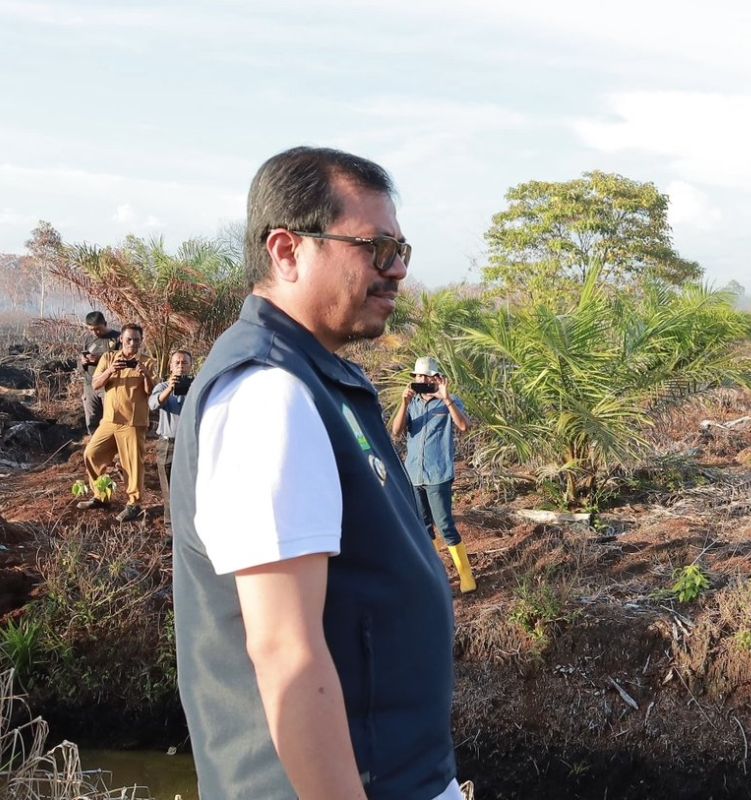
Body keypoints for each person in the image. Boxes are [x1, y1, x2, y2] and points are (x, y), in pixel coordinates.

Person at [170, 146, 462, 800]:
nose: (397, 272)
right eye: (376, 248)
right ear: (287, 251)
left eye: (403, 250)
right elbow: (285, 655)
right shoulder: (267, 396)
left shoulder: (316, 379)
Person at [391, 356, 475, 593]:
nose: (422, 380)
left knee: (445, 525)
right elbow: (397, 432)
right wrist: (404, 403)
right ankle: (435, 575)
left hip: (438, 474)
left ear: (437, 378)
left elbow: (464, 427)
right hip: (414, 474)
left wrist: (447, 399)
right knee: (423, 526)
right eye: (418, 376)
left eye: (427, 376)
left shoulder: (449, 402)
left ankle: (466, 574)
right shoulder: (413, 403)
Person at [77, 323, 153, 522]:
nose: (132, 343)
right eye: (129, 339)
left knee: (132, 465)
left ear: (141, 341)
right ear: (121, 339)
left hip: (133, 422)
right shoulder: (109, 358)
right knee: (92, 454)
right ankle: (102, 496)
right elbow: (95, 384)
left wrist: (145, 373)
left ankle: (134, 504)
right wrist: (110, 370)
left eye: (136, 340)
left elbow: (151, 392)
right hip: (109, 420)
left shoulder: (148, 362)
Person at [148, 349, 193, 526]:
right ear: (171, 366)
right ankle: (170, 528)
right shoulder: (162, 387)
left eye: (185, 363)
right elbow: (153, 404)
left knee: (190, 486)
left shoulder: (197, 386)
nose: (181, 367)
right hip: (168, 444)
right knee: (168, 488)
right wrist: (171, 389)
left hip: (190, 443)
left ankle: (189, 527)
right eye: (177, 363)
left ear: (190, 366)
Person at [78, 311, 120, 436]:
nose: (95, 332)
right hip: (89, 384)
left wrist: (100, 360)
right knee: (92, 418)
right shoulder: (88, 339)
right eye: (91, 330)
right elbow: (81, 357)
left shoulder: (118, 338)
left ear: (105, 324)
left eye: (98, 329)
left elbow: (123, 360)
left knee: (109, 418)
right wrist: (83, 361)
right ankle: (93, 443)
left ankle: (111, 446)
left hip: (109, 385)